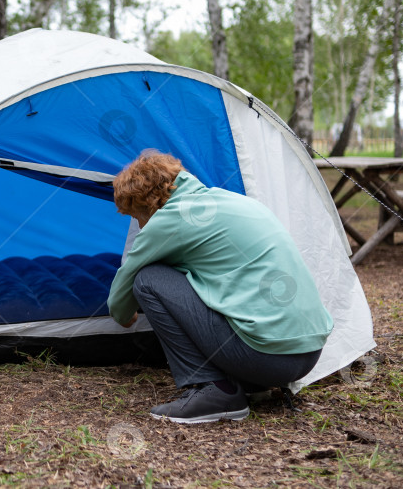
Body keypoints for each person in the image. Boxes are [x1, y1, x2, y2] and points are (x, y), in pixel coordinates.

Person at [107, 150, 333, 424]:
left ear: (147, 203)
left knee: (148, 279)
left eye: (136, 215)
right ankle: (252, 384)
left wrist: (126, 313)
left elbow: (120, 301)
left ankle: (216, 391)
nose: (139, 225)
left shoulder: (169, 219)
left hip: (266, 357)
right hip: (308, 354)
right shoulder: (235, 201)